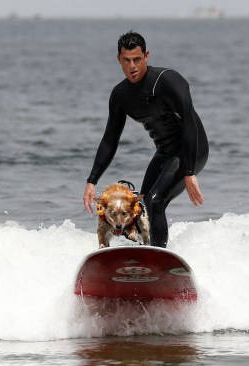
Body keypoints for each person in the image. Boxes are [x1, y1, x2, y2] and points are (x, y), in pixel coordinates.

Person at [82, 31, 208, 248]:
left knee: (155, 199)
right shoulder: (120, 95)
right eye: (126, 60)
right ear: (118, 60)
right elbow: (110, 139)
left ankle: (157, 257)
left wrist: (189, 172)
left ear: (146, 56)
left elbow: (190, 124)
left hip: (191, 150)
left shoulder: (168, 81)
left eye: (137, 60)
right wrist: (92, 180)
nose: (133, 66)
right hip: (164, 152)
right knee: (141, 205)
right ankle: (145, 253)